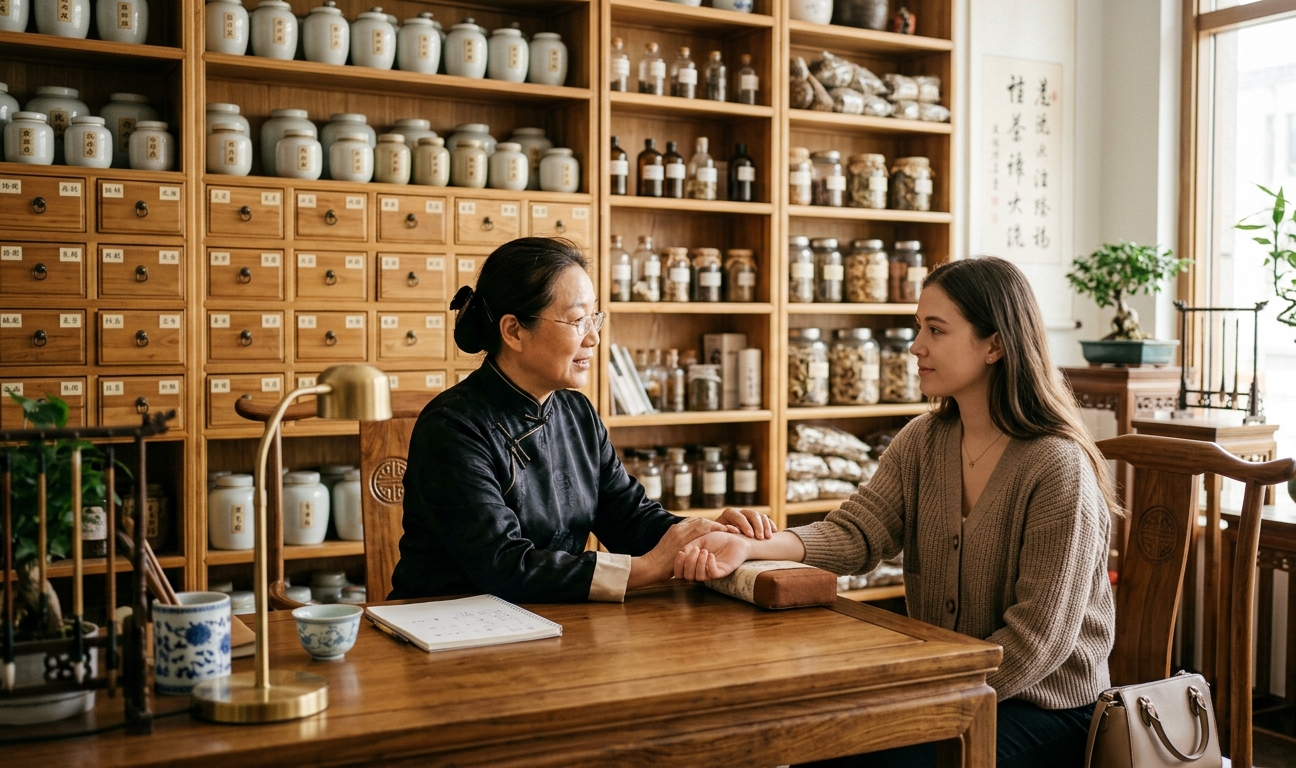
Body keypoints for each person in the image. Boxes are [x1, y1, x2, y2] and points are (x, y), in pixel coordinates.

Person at [675, 257, 1119, 767]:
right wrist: (753, 546)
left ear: (994, 344)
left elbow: (1036, 645)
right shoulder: (923, 440)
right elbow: (858, 532)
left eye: (935, 329)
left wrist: (922, 699)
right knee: (814, 741)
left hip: (1048, 709)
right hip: (950, 688)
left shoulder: (1057, 466)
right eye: (917, 328)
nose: (915, 346)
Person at [390, 237, 773, 603]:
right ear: (514, 330)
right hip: (450, 630)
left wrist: (702, 534)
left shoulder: (577, 413)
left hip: (551, 620)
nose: (594, 338)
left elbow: (629, 518)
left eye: (595, 319)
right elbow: (504, 566)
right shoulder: (452, 427)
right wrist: (649, 567)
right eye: (578, 321)